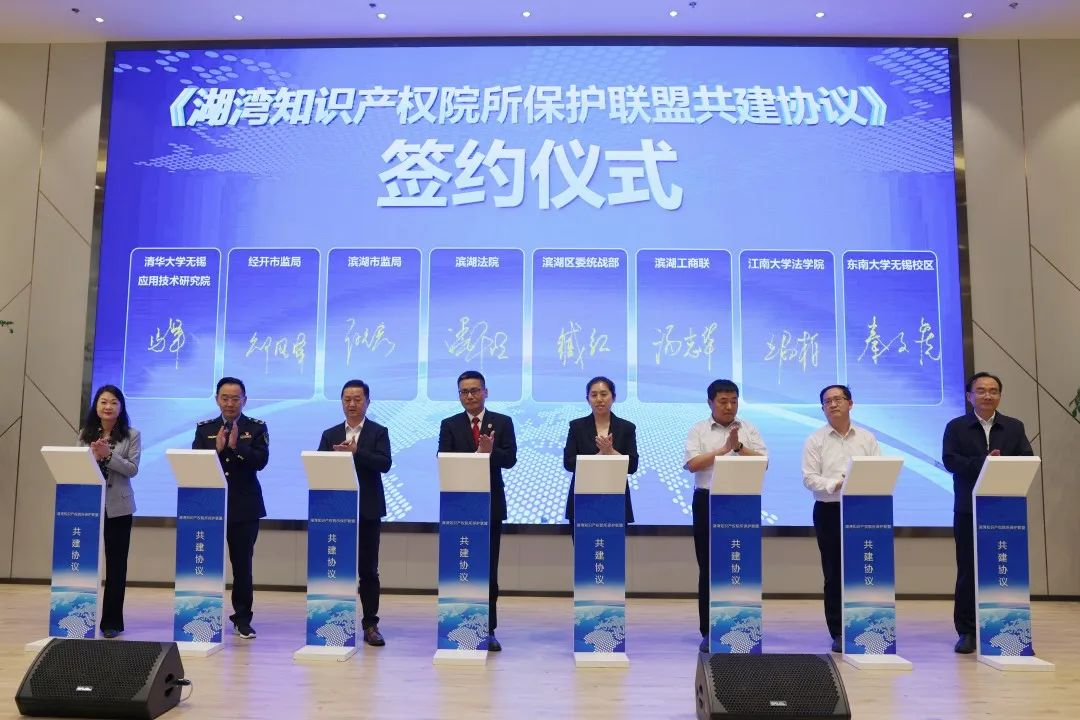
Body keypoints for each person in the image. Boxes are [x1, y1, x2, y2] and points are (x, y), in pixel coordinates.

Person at [942, 371, 1033, 654]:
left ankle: (1008, 630)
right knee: (968, 571)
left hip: (1005, 509)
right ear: (969, 396)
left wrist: (1001, 466)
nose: (987, 395)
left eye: (993, 391)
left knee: (1005, 568)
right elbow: (950, 461)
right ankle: (967, 631)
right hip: (968, 509)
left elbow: (1026, 459)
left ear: (1000, 396)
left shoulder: (1014, 427)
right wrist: (984, 463)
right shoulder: (956, 427)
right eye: (981, 391)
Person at [683, 379, 767, 653]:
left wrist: (739, 447)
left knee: (741, 563)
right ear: (710, 402)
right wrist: (722, 450)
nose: (729, 406)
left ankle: (744, 628)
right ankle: (710, 631)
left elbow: (763, 462)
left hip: (742, 502)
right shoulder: (699, 429)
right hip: (708, 501)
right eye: (723, 401)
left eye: (733, 401)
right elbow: (692, 464)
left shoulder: (748, 429)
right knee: (709, 566)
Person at [438, 370, 517, 652]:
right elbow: (443, 459)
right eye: (464, 392)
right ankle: (457, 624)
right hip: (458, 507)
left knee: (488, 570)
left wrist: (489, 452)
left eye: (474, 390)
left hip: (490, 506)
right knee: (461, 567)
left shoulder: (502, 422)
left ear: (486, 392)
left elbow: (510, 459)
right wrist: (476, 455)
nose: (469, 396)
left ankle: (488, 628)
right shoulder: (449, 425)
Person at [802, 384, 880, 654]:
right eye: (828, 401)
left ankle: (868, 627)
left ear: (850, 403)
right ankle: (838, 631)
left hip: (863, 510)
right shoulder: (815, 440)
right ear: (822, 408)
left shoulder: (867, 438)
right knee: (834, 573)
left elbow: (878, 470)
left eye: (838, 399)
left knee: (865, 570)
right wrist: (835, 484)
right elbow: (809, 478)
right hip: (830, 510)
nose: (833, 404)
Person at [192, 377, 268, 640]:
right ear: (217, 399)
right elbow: (195, 464)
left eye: (236, 398)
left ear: (245, 400)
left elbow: (261, 462)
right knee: (206, 563)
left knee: (242, 566)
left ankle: (242, 619)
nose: (230, 403)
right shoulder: (205, 429)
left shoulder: (256, 427)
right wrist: (216, 450)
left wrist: (237, 447)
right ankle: (204, 617)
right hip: (210, 506)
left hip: (244, 506)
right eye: (225, 398)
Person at [318, 379, 392, 647]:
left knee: (368, 570)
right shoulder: (330, 434)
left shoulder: (378, 432)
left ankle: (370, 624)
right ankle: (336, 622)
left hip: (368, 510)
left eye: (357, 399)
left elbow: (384, 463)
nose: (352, 404)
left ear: (367, 402)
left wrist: (357, 452)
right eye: (347, 399)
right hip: (337, 511)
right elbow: (320, 467)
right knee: (336, 568)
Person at [78, 385, 141, 639]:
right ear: (96, 406)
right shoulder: (85, 434)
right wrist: (92, 457)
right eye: (103, 401)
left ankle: (111, 622)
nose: (108, 406)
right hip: (89, 506)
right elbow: (77, 465)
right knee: (84, 564)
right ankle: (80, 617)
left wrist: (108, 455)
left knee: (116, 566)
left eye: (114, 402)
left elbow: (132, 469)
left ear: (121, 407)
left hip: (119, 508)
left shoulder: (131, 435)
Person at [563, 376, 638, 528]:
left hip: (615, 499)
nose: (599, 399)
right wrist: (598, 457)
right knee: (584, 544)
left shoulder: (627, 428)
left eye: (604, 394)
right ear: (588, 399)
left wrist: (611, 452)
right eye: (594, 395)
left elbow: (632, 466)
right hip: (583, 500)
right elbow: (569, 463)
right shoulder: (577, 427)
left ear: (613, 397)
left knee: (612, 543)